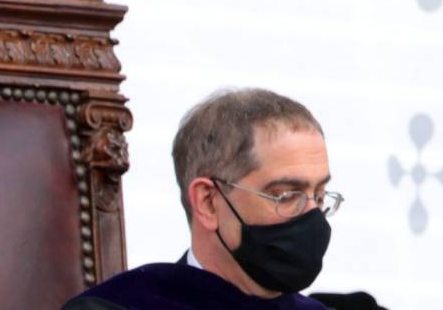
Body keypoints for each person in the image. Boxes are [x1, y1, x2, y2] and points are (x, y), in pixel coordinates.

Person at [62, 87, 361, 310]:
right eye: (285, 195)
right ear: (207, 202)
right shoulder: (122, 305)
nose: (311, 217)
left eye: (319, 196)